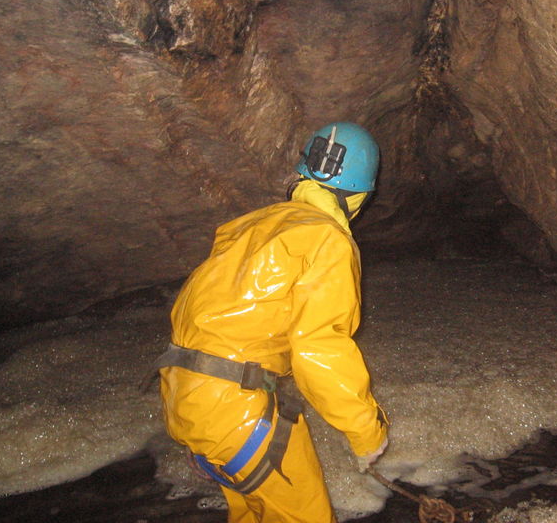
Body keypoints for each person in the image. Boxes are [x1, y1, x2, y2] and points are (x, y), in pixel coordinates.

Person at [153, 122, 389, 522]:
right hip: (235, 407)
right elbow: (319, 347)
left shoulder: (251, 225)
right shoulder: (327, 239)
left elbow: (202, 312)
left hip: (185, 393)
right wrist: (367, 431)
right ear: (360, 196)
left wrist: (199, 428)